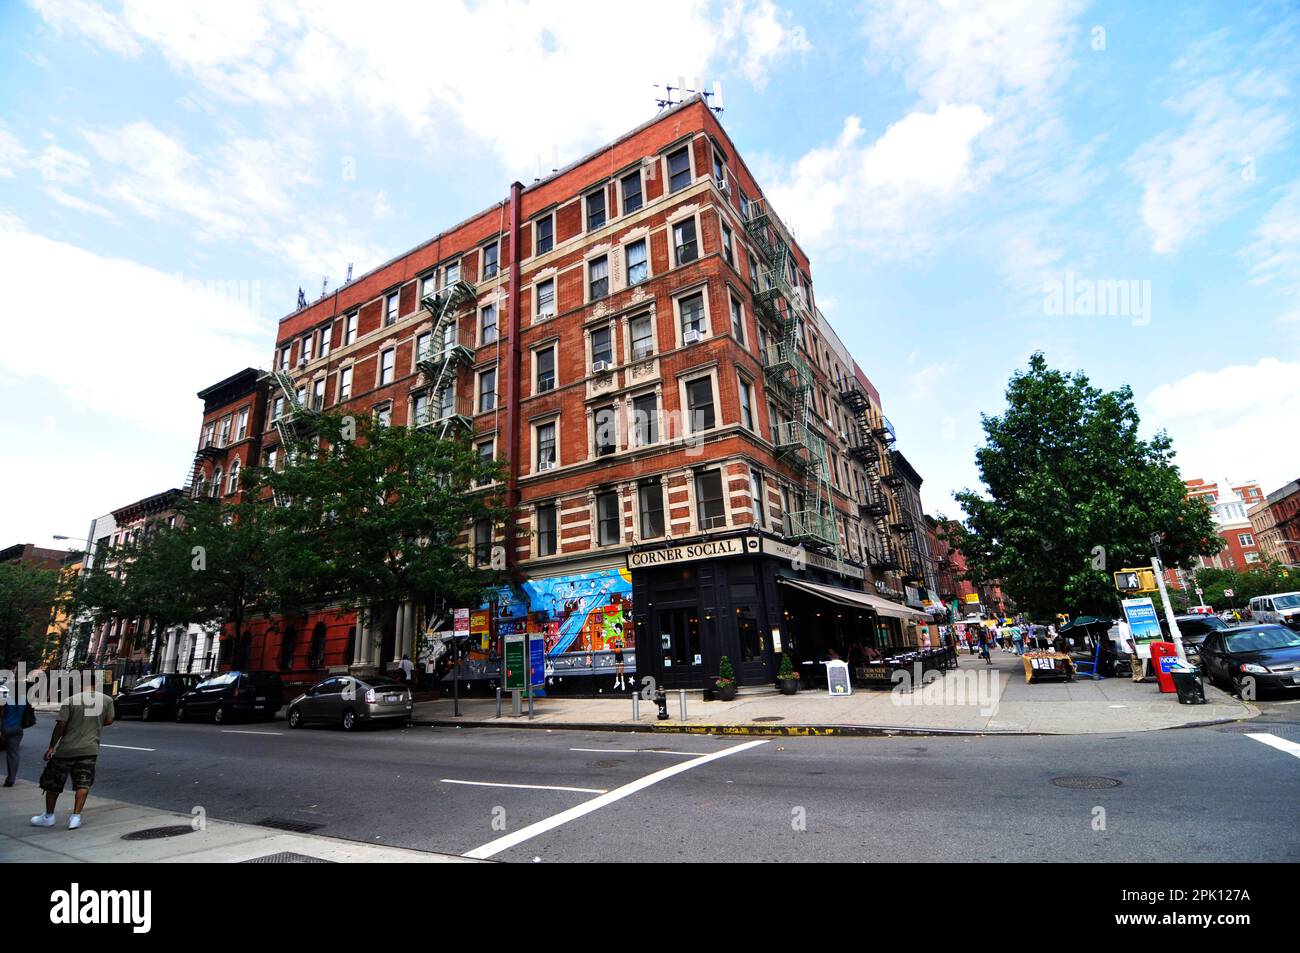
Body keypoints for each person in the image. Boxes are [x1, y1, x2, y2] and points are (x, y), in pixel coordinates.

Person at [32, 672, 114, 830]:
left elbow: (61, 725)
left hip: (67, 749)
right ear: (95, 684)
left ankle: (49, 816)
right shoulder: (107, 700)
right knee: (83, 782)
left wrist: (51, 747)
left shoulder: (70, 701)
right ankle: (76, 817)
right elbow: (109, 720)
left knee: (53, 783)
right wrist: (94, 724)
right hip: (90, 748)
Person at [2, 679, 38, 787]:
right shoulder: (23, 699)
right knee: (13, 754)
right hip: (17, 729)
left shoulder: (5, 698)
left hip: (4, 728)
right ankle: (11, 778)